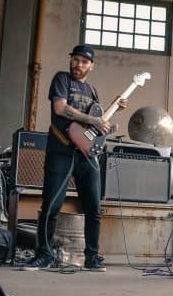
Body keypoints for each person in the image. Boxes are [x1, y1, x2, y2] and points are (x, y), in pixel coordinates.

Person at [22, 45, 127, 271]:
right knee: (51, 205)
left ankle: (92, 257)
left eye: (84, 61)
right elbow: (60, 109)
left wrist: (113, 110)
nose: (78, 64)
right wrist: (94, 121)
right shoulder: (62, 80)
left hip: (86, 155)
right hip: (61, 150)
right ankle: (44, 255)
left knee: (94, 208)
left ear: (92, 66)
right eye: (75, 60)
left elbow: (96, 124)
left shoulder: (92, 90)